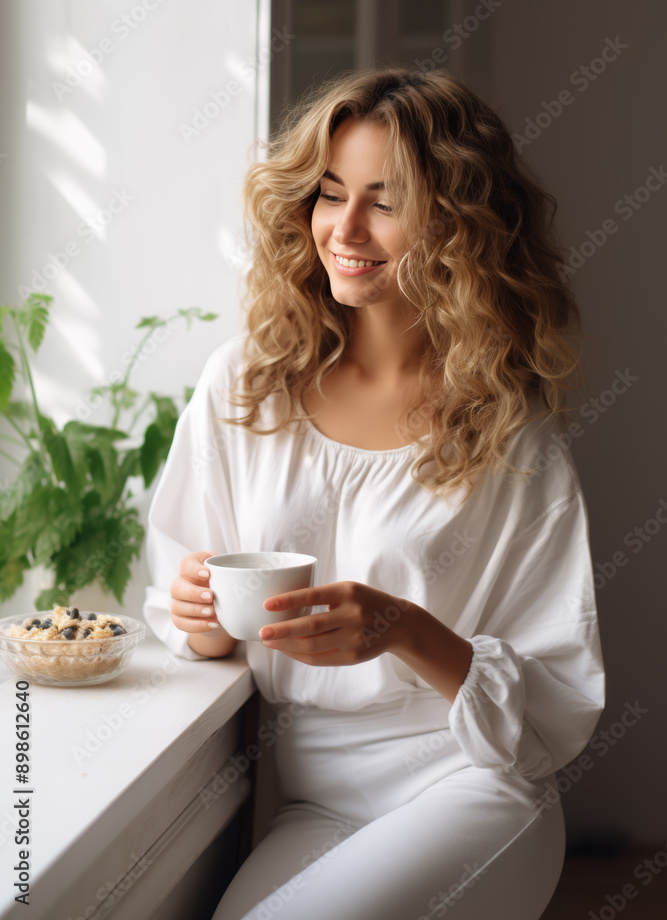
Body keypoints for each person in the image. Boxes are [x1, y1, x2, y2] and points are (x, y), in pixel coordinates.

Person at [143, 66, 605, 920]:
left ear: (456, 226)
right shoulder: (247, 387)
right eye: (329, 192)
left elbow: (555, 709)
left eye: (384, 202)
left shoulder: (509, 431)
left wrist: (400, 627)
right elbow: (183, 591)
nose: (344, 228)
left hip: (471, 790)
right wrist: (197, 615)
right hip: (313, 801)